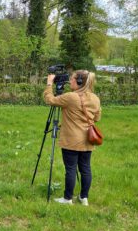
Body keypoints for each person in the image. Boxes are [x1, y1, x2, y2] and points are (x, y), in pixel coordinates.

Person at [43, 70, 101, 206]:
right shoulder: (95, 98)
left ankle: (67, 198)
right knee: (85, 168)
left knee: (70, 169)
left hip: (71, 140)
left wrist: (49, 83)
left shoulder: (70, 97)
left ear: (79, 82)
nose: (70, 81)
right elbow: (97, 117)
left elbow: (49, 100)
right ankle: (84, 197)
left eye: (72, 79)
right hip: (88, 139)